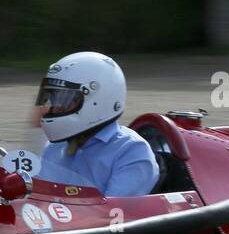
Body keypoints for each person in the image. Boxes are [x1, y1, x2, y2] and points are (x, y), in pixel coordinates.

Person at [30, 51, 159, 197]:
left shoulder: (131, 152)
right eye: (54, 99)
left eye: (65, 99)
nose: (56, 107)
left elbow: (114, 213)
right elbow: (37, 200)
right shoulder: (53, 148)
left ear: (98, 99)